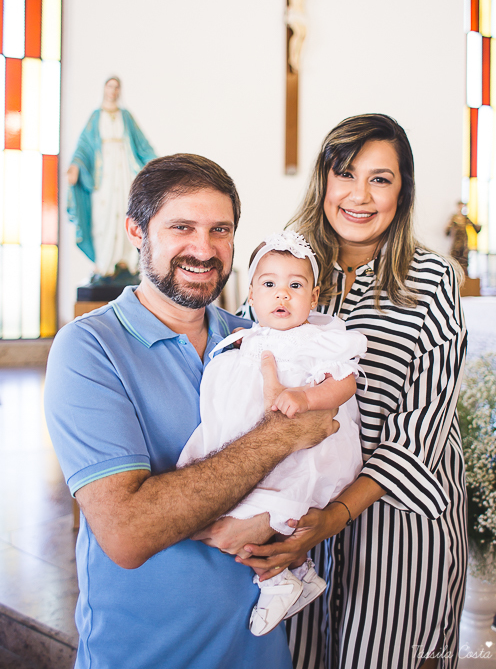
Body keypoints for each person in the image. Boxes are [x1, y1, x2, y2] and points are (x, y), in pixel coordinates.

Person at [45, 154, 339, 669]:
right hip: (150, 655)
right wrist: (279, 437)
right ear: (137, 229)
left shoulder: (256, 338)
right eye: (182, 227)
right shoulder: (90, 348)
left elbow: (326, 445)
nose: (203, 249)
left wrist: (292, 524)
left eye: (219, 230)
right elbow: (129, 532)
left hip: (261, 650)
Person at [199, 115, 468, 669]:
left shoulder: (433, 282)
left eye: (381, 178)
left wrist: (335, 516)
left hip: (394, 524)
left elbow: (420, 430)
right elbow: (248, 365)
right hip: (292, 513)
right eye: (346, 173)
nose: (360, 195)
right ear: (324, 179)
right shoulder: (285, 267)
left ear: (403, 190)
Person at [178, 231, 367, 637]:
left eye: (295, 286)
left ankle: (279, 579)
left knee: (271, 501)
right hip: (250, 441)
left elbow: (345, 382)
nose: (282, 295)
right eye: (269, 285)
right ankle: (298, 573)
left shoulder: (318, 338)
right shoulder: (247, 338)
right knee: (226, 499)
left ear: (313, 296)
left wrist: (307, 395)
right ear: (250, 292)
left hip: (304, 450)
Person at [66, 76, 157, 278]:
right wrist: (75, 166)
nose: (113, 91)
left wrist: (156, 164)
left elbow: (142, 145)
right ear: (104, 89)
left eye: (116, 87)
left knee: (126, 211)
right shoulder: (95, 117)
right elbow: (83, 147)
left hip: (124, 171)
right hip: (104, 175)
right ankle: (104, 263)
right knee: (103, 215)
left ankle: (126, 261)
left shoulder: (126, 117)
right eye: (110, 87)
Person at [249, 0, 343, 73]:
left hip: (302, 14)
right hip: (293, 13)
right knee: (298, 33)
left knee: (304, 35)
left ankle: (297, 59)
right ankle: (292, 58)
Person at [445, 200, 481, 275]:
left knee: (464, 259)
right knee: (454, 258)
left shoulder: (466, 218)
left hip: (464, 241)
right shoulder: (454, 217)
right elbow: (447, 231)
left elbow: (476, 228)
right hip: (456, 242)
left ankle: (465, 275)